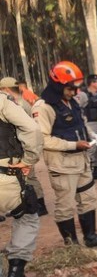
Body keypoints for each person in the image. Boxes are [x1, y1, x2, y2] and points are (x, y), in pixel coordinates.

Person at [32, 61, 97, 247]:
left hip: (82, 161)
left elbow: (81, 124)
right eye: (71, 89)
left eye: (76, 88)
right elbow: (42, 139)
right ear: (58, 85)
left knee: (88, 199)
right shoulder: (43, 107)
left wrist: (92, 135)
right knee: (65, 205)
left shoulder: (72, 101)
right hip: (62, 165)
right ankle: (72, 246)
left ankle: (91, 237)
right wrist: (73, 145)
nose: (76, 93)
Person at [0, 85, 43, 277]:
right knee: (28, 216)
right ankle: (15, 273)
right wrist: (29, 159)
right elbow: (32, 130)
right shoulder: (2, 101)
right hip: (5, 178)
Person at [0, 77, 49, 216]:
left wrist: (27, 158)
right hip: (22, 148)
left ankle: (37, 205)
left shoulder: (14, 103)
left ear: (6, 89)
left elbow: (27, 129)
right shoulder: (21, 102)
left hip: (21, 150)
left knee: (29, 178)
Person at [76, 74, 97, 180]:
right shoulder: (83, 95)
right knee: (91, 148)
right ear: (92, 83)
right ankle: (88, 172)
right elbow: (77, 109)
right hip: (90, 124)